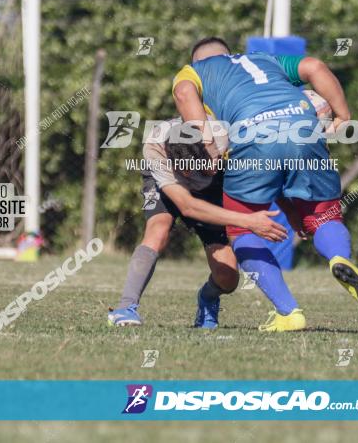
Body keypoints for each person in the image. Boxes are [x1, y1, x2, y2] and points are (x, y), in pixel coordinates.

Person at [172, 37, 358, 332]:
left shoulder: (192, 72)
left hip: (252, 136)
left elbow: (183, 92)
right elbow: (315, 66)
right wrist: (343, 113)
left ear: (196, 61)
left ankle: (289, 312)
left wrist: (206, 142)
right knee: (324, 217)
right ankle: (338, 258)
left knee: (243, 229)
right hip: (304, 129)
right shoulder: (264, 59)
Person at [107, 118, 288, 328]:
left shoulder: (225, 135)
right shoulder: (155, 149)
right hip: (168, 186)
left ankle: (207, 298)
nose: (207, 169)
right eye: (187, 170)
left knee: (228, 278)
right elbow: (187, 206)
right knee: (157, 229)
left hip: (211, 190)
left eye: (205, 163)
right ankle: (125, 309)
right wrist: (249, 221)